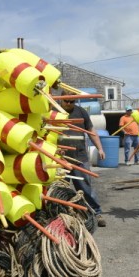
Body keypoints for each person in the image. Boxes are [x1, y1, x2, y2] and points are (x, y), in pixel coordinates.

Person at [60, 95, 106, 227]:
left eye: (72, 101)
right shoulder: (54, 112)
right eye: (66, 101)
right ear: (60, 99)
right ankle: (60, 216)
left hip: (80, 157)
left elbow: (91, 131)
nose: (69, 103)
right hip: (60, 159)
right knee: (60, 189)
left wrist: (100, 148)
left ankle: (96, 213)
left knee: (86, 187)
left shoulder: (81, 112)